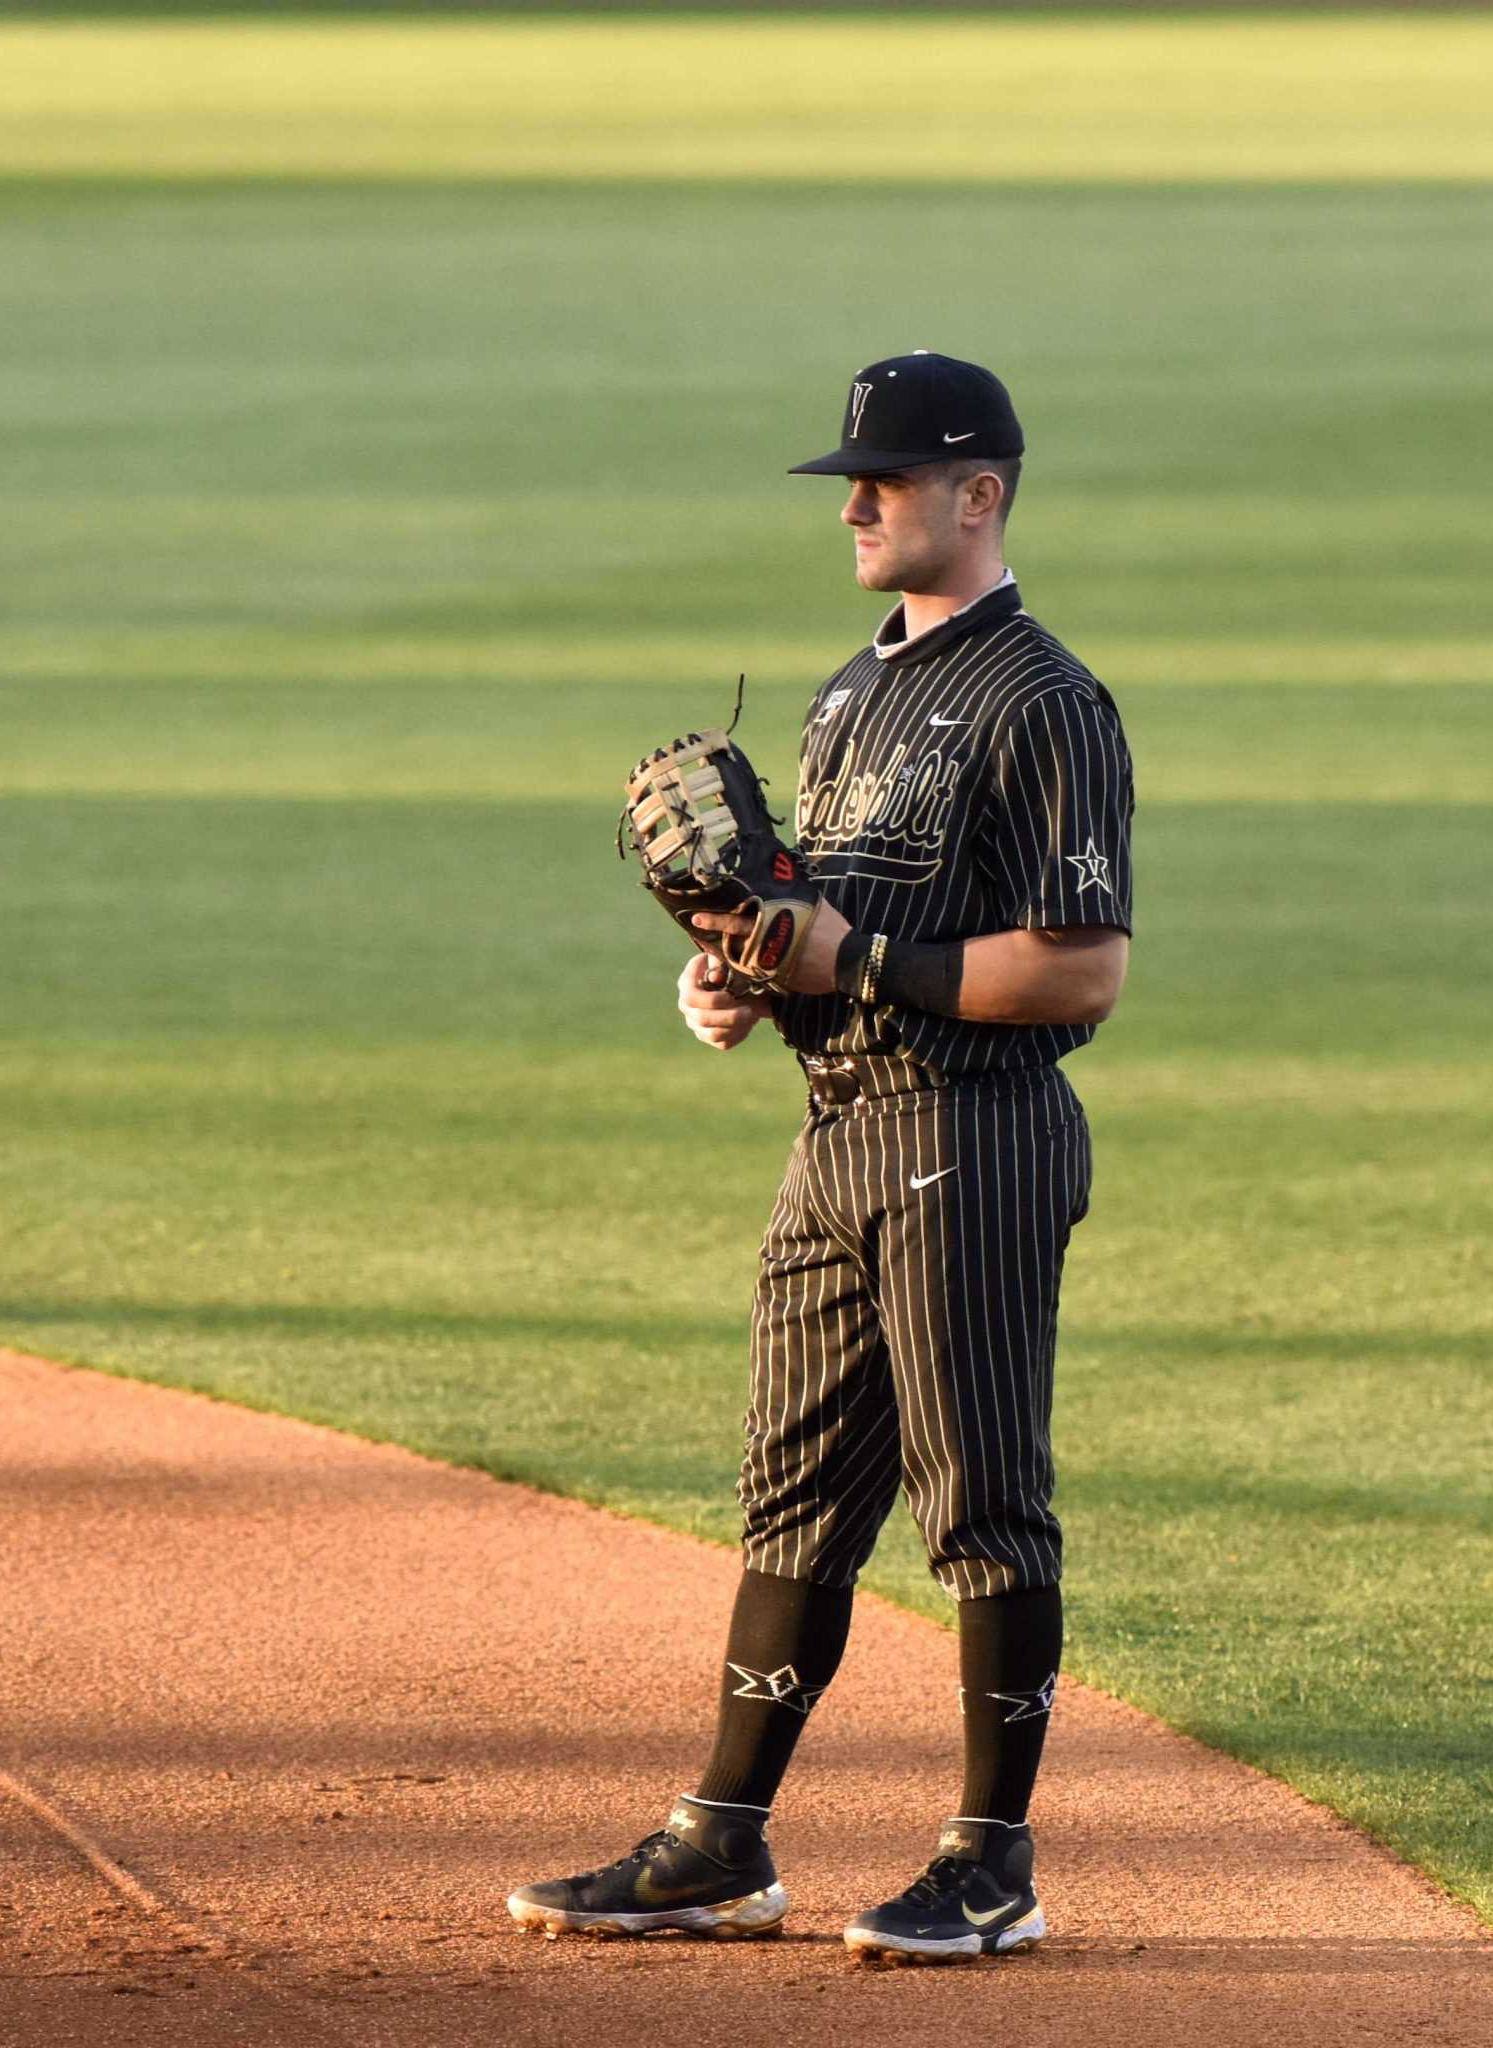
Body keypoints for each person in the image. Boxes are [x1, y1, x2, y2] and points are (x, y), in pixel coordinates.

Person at [510, 352, 1135, 1961]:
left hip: (972, 1134)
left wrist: (852, 964)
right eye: (850, 478)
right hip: (837, 1135)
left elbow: (1080, 971)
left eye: (888, 477)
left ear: (979, 494)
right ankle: (722, 1844)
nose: (855, 501)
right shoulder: (847, 692)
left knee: (983, 1504)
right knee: (789, 1500)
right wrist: (733, 969)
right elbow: (813, 916)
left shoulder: (1047, 703)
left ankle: (993, 1861)